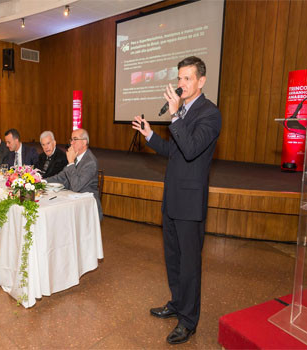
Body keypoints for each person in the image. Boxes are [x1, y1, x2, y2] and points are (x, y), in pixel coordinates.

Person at [132, 56, 221, 345]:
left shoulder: (210, 113)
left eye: (187, 78)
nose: (181, 84)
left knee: (190, 265)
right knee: (173, 258)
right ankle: (177, 304)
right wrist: (149, 135)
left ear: (201, 82)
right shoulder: (183, 111)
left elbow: (193, 148)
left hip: (190, 204)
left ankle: (189, 320)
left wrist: (174, 115)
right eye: (179, 78)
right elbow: (175, 151)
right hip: (172, 199)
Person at [47, 128, 102, 221]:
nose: (71, 143)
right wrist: (41, 181)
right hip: (75, 201)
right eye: (71, 140)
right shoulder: (76, 157)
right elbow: (61, 177)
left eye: (75, 139)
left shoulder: (90, 162)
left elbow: (77, 186)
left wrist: (71, 162)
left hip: (87, 206)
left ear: (84, 142)